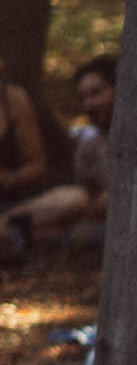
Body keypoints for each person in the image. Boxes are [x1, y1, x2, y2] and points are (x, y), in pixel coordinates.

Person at [6, 55, 115, 249]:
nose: (88, 104)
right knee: (53, 226)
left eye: (96, 93)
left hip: (121, 228)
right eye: (83, 97)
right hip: (84, 226)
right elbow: (86, 197)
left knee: (75, 200)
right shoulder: (89, 146)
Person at [0, 55, 50, 261]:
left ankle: (15, 244)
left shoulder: (13, 100)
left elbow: (37, 165)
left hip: (14, 207)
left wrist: (10, 178)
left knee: (74, 199)